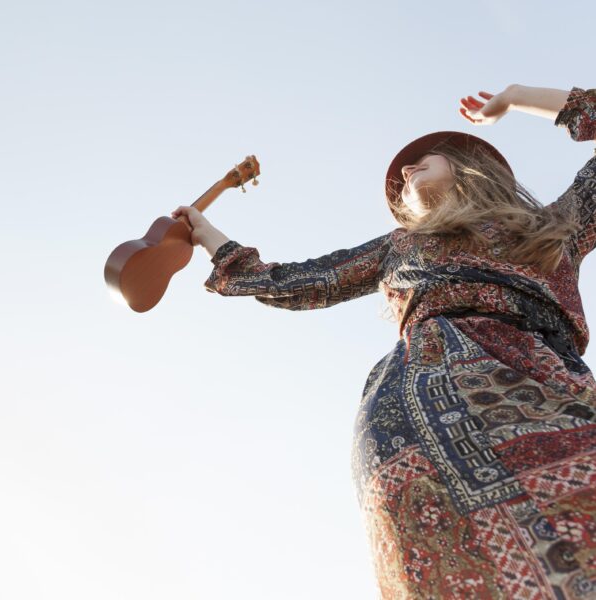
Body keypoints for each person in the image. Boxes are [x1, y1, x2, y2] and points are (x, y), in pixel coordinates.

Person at [171, 84, 596, 599]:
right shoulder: (401, 245)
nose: (407, 170)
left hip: (553, 383)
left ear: (469, 168)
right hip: (422, 416)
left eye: (423, 161)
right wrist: (205, 232)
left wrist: (513, 96)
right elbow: (291, 283)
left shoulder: (555, 228)